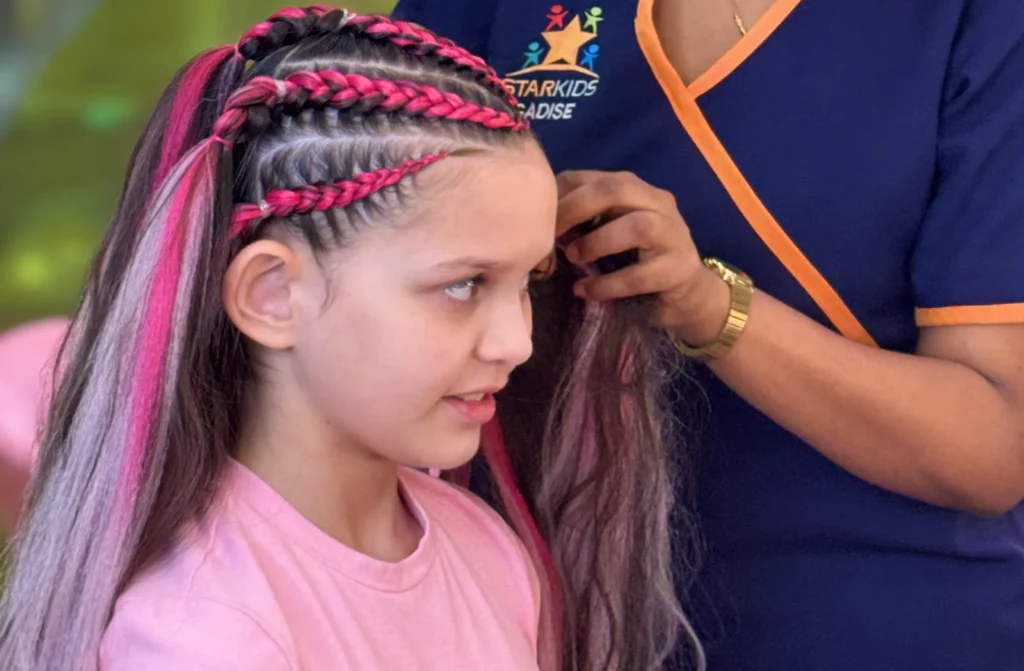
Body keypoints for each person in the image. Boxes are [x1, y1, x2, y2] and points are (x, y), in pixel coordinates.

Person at [0, 7, 700, 671]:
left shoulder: (486, 551)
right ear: (271, 294)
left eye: (528, 281)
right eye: (464, 285)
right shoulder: (204, 630)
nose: (517, 341)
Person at [389, 0, 1024, 669]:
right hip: (532, 616)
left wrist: (710, 306)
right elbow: (342, 259)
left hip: (880, 618)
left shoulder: (972, 20)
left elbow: (992, 444)